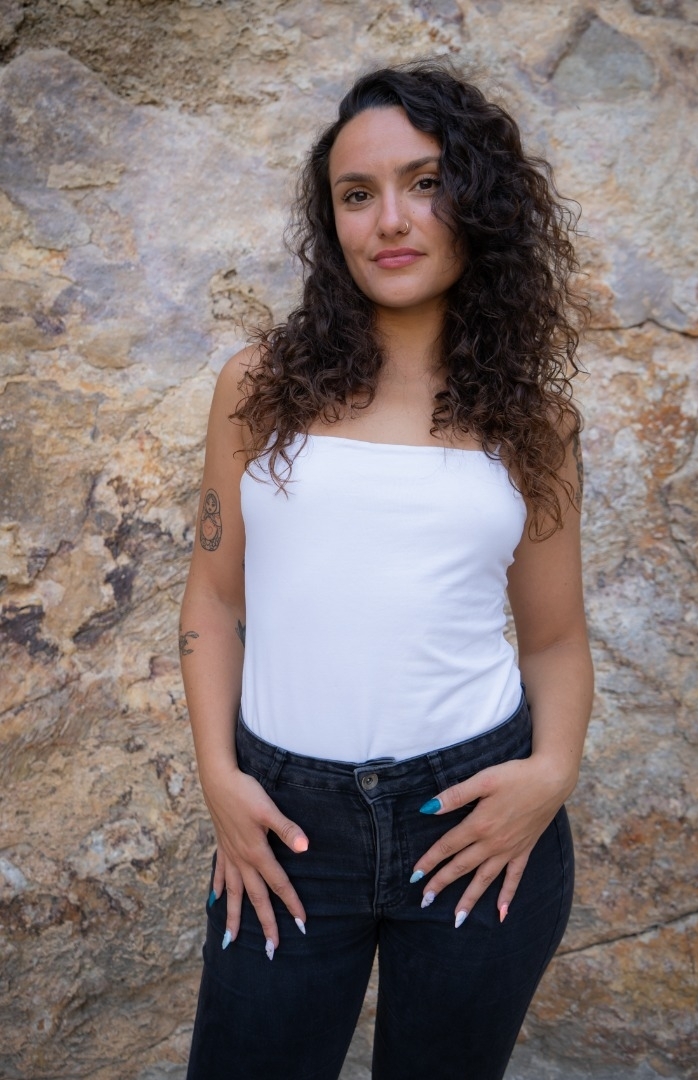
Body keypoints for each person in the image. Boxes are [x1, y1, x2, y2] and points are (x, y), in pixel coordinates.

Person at [180, 60, 593, 1080]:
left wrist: (549, 776)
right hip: (284, 825)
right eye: (356, 195)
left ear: (479, 201)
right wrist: (220, 782)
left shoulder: (531, 420)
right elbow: (214, 599)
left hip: (473, 820)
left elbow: (552, 640)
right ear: (332, 223)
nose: (390, 221)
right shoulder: (259, 386)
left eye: (425, 182)